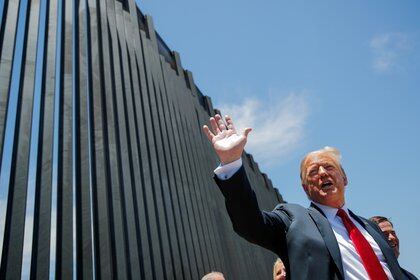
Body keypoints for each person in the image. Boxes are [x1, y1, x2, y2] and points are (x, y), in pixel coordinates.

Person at [203, 114, 409, 280]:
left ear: (344, 178)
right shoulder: (293, 218)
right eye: (313, 172)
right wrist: (231, 163)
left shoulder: (370, 228)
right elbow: (249, 224)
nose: (321, 173)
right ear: (305, 187)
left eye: (328, 167)